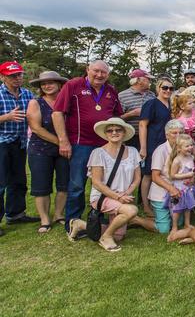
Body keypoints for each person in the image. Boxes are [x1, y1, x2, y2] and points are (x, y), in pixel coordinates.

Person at [52, 60, 123, 236]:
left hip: (105, 145)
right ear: (87, 70)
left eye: (103, 72)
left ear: (108, 74)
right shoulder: (73, 85)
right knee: (77, 184)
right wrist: (63, 140)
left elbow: (116, 116)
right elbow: (57, 112)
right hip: (80, 143)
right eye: (96, 71)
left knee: (105, 183)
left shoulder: (111, 91)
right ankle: (72, 221)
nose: (99, 75)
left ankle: (100, 218)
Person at [82, 118, 156, 251]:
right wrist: (117, 197)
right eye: (110, 130)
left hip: (123, 196)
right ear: (106, 134)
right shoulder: (98, 153)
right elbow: (97, 183)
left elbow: (137, 178)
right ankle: (106, 237)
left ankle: (80, 225)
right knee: (132, 210)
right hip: (102, 197)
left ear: (124, 133)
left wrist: (126, 193)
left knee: (120, 236)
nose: (114, 132)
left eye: (118, 130)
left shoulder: (133, 151)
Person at [26, 71, 69, 233]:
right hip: (40, 149)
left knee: (64, 183)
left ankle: (59, 214)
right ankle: (45, 219)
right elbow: (36, 128)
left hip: (64, 149)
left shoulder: (66, 101)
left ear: (59, 84)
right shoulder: (35, 103)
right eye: (44, 84)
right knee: (41, 185)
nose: (47, 86)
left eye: (51, 82)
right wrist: (61, 142)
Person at [0, 61, 38, 234]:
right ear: (3, 77)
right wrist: (6, 117)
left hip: (20, 142)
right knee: (1, 183)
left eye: (19, 75)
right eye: (12, 76)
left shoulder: (27, 94)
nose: (17, 78)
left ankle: (15, 214)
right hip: (2, 143)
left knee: (18, 180)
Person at [138, 77, 173, 217]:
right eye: (165, 87)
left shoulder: (171, 105)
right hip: (153, 143)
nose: (168, 90)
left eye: (171, 88)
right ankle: (146, 206)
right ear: (158, 88)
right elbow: (142, 124)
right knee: (148, 174)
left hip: (167, 145)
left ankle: (160, 202)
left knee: (163, 174)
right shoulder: (151, 103)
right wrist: (143, 147)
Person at [147, 119, 187, 235]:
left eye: (181, 133)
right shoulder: (161, 151)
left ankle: (161, 217)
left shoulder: (185, 150)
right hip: (161, 193)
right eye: (174, 133)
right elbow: (155, 177)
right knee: (163, 229)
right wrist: (171, 189)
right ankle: (137, 220)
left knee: (179, 224)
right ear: (167, 135)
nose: (178, 136)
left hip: (178, 193)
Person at [166, 133, 195, 241]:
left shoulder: (191, 157)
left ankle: (187, 224)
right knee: (177, 208)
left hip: (188, 187)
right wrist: (187, 175)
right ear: (179, 148)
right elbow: (173, 175)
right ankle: (174, 227)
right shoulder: (177, 160)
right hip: (179, 189)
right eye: (187, 146)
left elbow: (192, 171)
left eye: (191, 145)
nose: (190, 148)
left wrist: (194, 177)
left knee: (189, 206)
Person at [118, 69, 155, 150]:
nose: (150, 82)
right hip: (130, 138)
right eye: (148, 79)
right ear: (138, 80)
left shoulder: (152, 95)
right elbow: (116, 119)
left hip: (149, 136)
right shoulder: (122, 96)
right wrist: (132, 114)